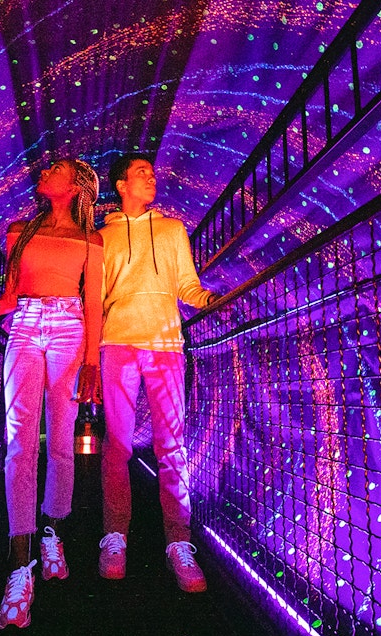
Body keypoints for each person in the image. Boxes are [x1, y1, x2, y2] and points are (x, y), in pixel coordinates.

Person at [0, 158, 103, 629]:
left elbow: (95, 305)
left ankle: (52, 530)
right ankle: (20, 567)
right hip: (23, 325)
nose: (45, 171)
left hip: (70, 329)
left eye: (56, 169)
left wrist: (93, 361)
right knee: (21, 443)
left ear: (77, 187)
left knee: (61, 443)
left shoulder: (91, 240)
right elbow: (9, 296)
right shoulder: (18, 230)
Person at [96, 154, 219, 593]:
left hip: (167, 344)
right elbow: (98, 297)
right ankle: (114, 537)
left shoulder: (172, 230)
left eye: (152, 172)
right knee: (117, 444)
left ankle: (179, 543)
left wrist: (207, 299)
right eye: (141, 173)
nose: (152, 178)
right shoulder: (102, 238)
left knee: (173, 445)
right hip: (117, 344)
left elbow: (186, 284)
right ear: (121, 184)